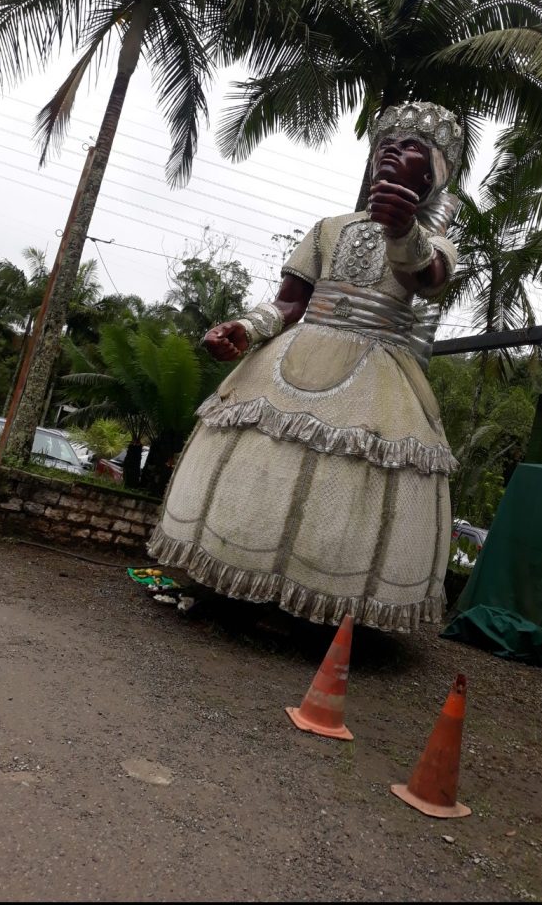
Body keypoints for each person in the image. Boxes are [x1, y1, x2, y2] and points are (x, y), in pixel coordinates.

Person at [148, 102, 463, 632]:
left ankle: (321, 609)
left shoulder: (436, 244)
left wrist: (403, 230)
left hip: (378, 372)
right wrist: (245, 328)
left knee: (351, 484)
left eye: (412, 147)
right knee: (261, 466)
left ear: (433, 174)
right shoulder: (328, 229)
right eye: (386, 145)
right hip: (293, 353)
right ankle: (233, 580)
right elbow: (290, 302)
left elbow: (426, 279)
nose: (392, 152)